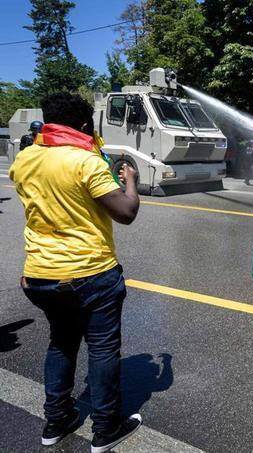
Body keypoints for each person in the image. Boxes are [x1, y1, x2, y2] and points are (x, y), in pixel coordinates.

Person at [9, 92, 142, 451]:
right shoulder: (85, 162)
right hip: (91, 274)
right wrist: (131, 179)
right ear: (84, 126)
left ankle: (56, 420)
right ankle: (105, 428)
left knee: (62, 343)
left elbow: (57, 195)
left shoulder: (24, 160)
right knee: (101, 349)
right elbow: (126, 212)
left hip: (40, 275)